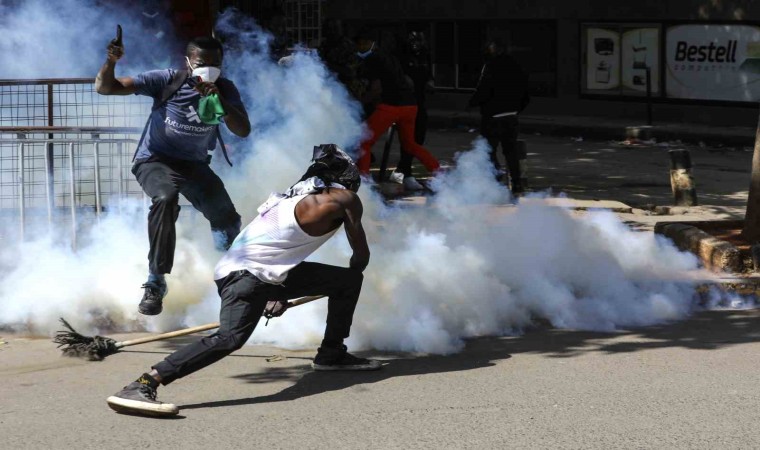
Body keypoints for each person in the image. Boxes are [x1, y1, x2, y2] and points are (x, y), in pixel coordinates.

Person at [105, 144, 379, 417]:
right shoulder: (344, 200)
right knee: (229, 339)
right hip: (248, 277)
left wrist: (276, 292)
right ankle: (143, 383)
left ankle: (331, 354)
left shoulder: (288, 199)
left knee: (345, 281)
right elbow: (360, 258)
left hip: (247, 272)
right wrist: (356, 267)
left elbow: (273, 249)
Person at [95, 35, 251, 316]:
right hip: (155, 160)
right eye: (203, 63)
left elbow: (243, 129)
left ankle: (231, 274)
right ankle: (156, 282)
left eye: (216, 64)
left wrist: (219, 101)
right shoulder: (168, 80)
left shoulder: (226, 89)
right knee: (166, 199)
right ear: (188, 62)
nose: (209, 69)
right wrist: (111, 62)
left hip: (194, 166)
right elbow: (106, 88)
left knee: (226, 217)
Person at [355, 30, 440, 179]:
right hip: (411, 106)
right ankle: (440, 174)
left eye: (362, 43)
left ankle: (363, 183)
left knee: (363, 143)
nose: (360, 47)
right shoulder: (392, 58)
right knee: (410, 145)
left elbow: (376, 89)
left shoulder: (373, 59)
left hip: (391, 106)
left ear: (371, 43)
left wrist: (358, 103)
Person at [468, 38, 529, 194]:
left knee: (488, 151)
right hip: (511, 115)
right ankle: (516, 184)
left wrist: (472, 103)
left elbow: (483, 90)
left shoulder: (490, 66)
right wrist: (516, 109)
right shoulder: (516, 65)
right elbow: (526, 92)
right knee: (511, 151)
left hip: (493, 116)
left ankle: (496, 177)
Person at [394, 30, 435, 191]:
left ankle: (402, 170)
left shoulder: (424, 56)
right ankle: (406, 173)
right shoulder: (402, 57)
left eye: (419, 41)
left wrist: (430, 82)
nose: (416, 44)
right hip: (406, 103)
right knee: (408, 141)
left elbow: (428, 75)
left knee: (418, 139)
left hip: (420, 102)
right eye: (413, 41)